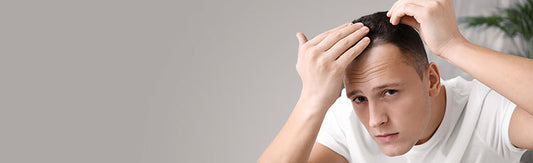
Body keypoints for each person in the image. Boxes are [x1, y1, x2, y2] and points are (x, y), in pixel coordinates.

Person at [258, 0, 533, 162]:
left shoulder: (483, 110)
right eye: (359, 98)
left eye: (389, 92)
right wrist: (311, 99)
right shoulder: (346, 120)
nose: (375, 119)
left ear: (432, 80)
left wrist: (453, 45)